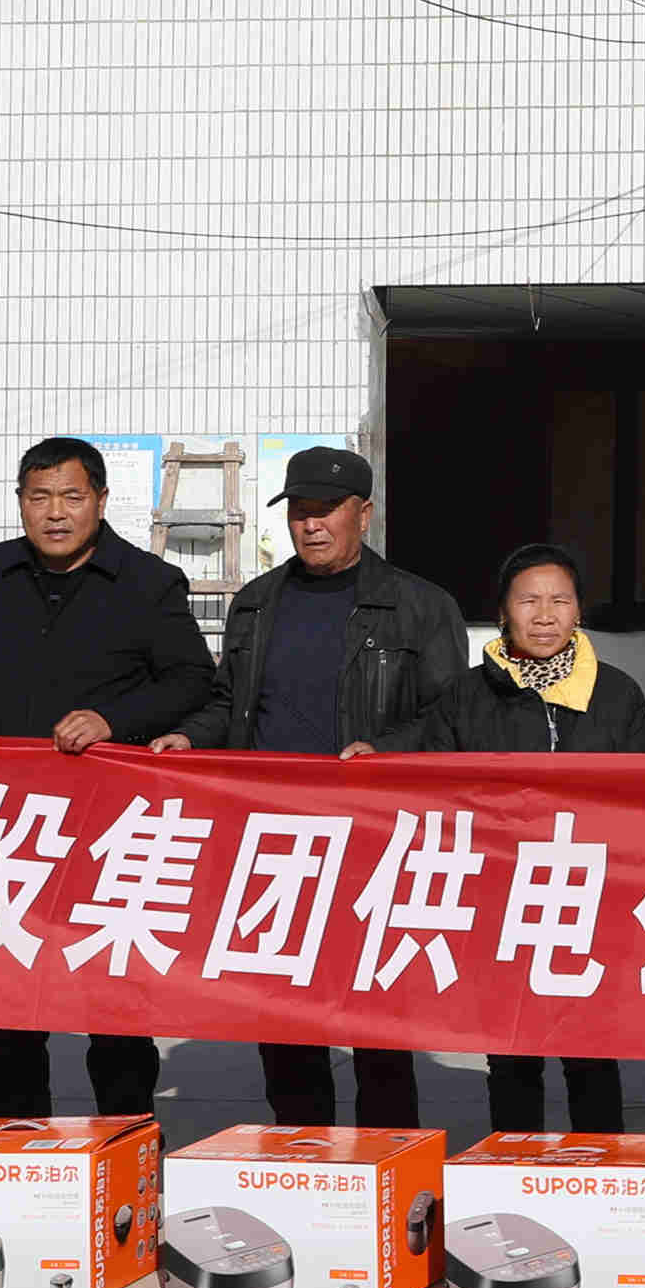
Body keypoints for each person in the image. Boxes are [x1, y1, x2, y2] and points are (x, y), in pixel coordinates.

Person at [0, 436, 221, 1123]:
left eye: (72, 497)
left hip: (108, 826)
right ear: (20, 503)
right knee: (6, 993)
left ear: (100, 501)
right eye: (39, 497)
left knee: (113, 999)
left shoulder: (148, 582)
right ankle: (11, 1141)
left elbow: (192, 679)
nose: (55, 513)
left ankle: (126, 1138)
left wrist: (112, 719)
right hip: (4, 823)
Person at [154, 443, 471, 1133]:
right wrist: (189, 736)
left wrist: (385, 751)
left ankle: (387, 1154)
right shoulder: (258, 603)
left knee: (378, 1018)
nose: (311, 525)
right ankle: (301, 1149)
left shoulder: (420, 606)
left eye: (327, 510)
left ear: (365, 513)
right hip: (274, 842)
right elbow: (229, 703)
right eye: (300, 511)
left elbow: (450, 717)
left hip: (372, 842)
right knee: (283, 1017)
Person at [375, 544, 645, 1137]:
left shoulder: (617, 694)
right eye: (529, 600)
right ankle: (513, 1162)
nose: (545, 615)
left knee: (591, 1051)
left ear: (579, 610)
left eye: (560, 600)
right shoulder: (469, 694)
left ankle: (601, 1166)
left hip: (591, 901)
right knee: (511, 1055)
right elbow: (438, 787)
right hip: (502, 902)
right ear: (504, 612)